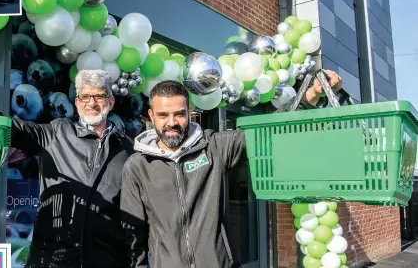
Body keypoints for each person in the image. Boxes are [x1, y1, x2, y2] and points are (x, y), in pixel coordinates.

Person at [120, 71, 342, 268]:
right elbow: (132, 233)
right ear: (151, 116)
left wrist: (310, 95)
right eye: (162, 115)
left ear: (190, 112)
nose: (172, 122)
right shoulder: (137, 166)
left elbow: (269, 129)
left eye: (179, 114)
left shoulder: (214, 147)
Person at [0, 69, 134, 268]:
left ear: (111, 101)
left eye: (98, 96)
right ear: (77, 101)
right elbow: (5, 126)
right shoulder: (57, 133)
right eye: (85, 96)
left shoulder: (128, 150)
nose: (92, 103)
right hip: (52, 259)